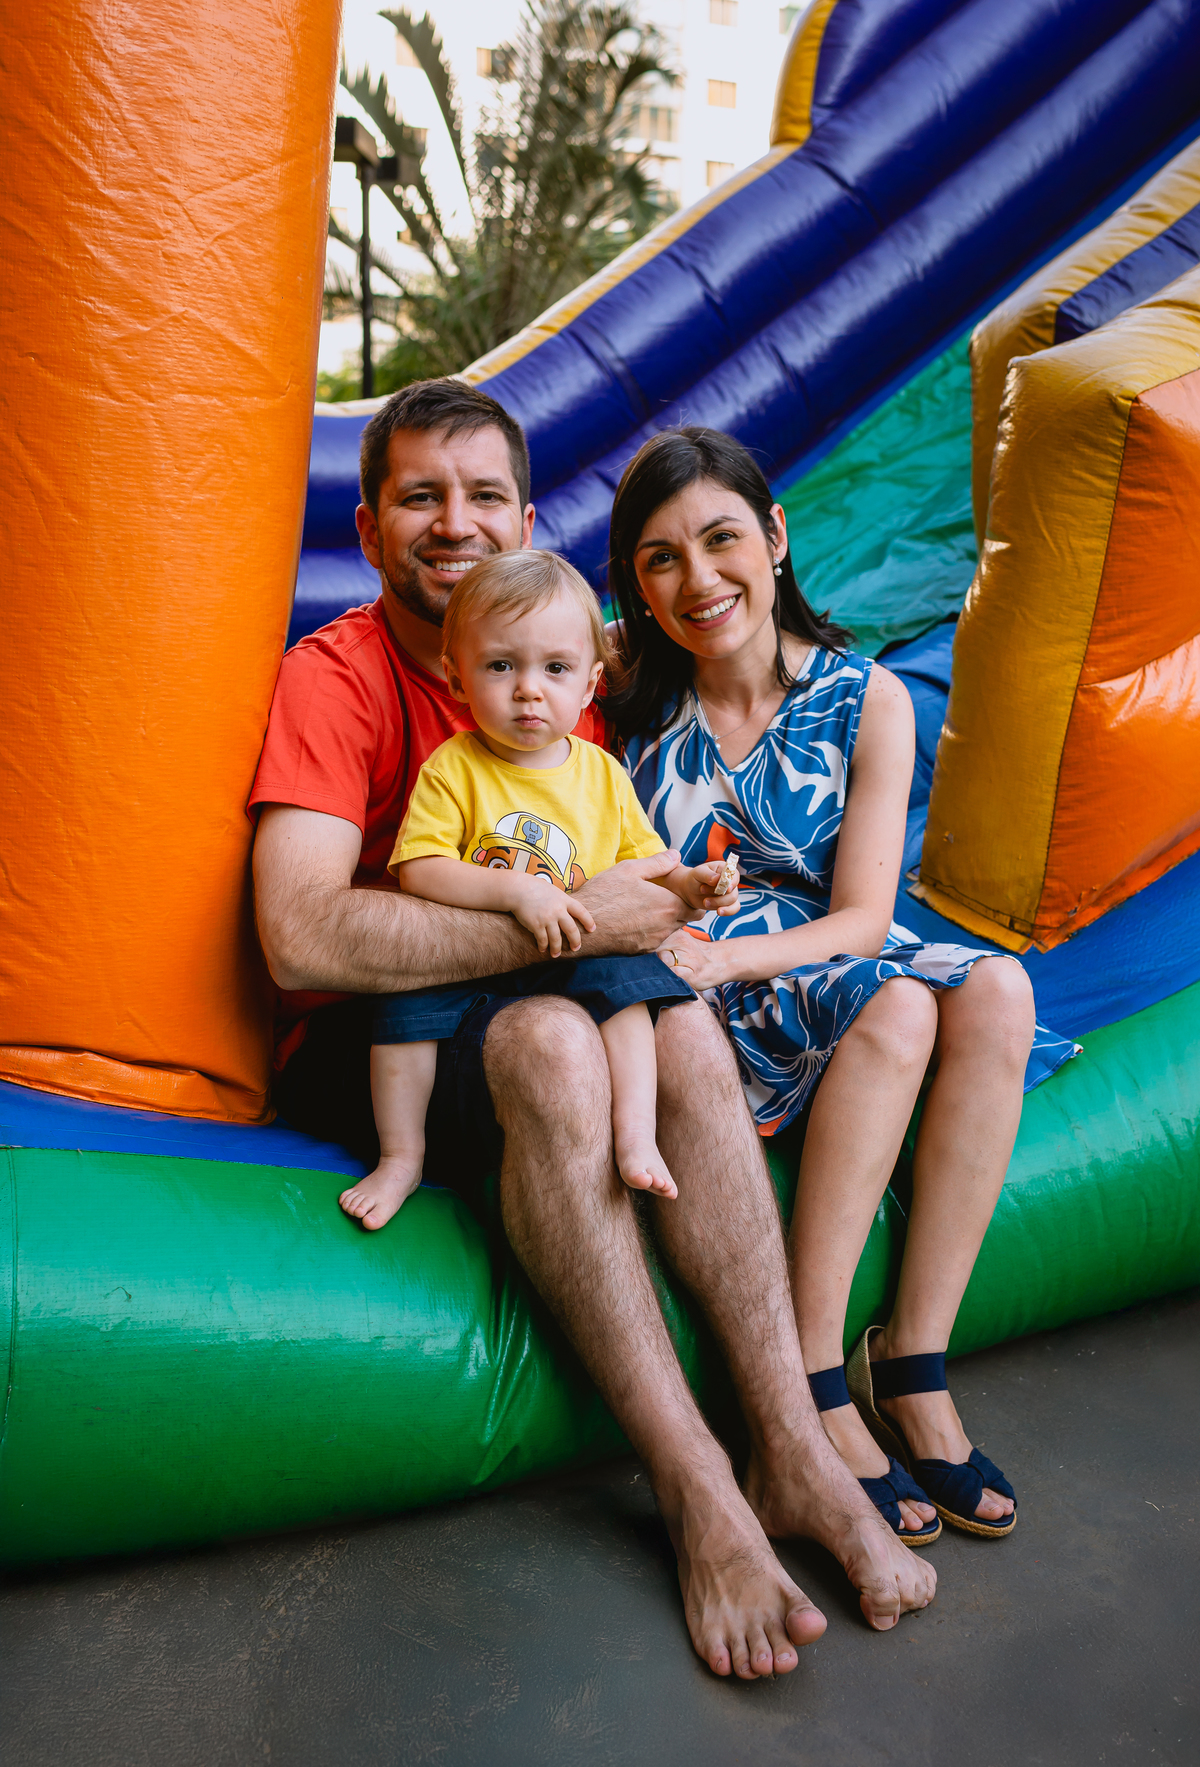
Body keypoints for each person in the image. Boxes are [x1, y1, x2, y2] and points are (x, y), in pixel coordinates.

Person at [250, 378, 936, 1682]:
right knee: (560, 1041)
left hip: (570, 994)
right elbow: (300, 935)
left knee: (669, 1025)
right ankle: (697, 1489)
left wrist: (697, 907)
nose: (455, 523)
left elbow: (702, 777)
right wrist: (563, 918)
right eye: (420, 497)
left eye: (485, 495)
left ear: (525, 518)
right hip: (386, 1035)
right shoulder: (337, 677)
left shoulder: (580, 666)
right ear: (369, 520)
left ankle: (790, 1443)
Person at [609, 425, 1070, 1545]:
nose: (699, 579)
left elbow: (863, 915)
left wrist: (735, 953)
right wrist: (697, 954)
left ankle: (911, 1359)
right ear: (636, 584)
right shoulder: (620, 695)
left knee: (1000, 990)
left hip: (806, 951)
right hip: (695, 977)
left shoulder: (865, 698)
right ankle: (813, 1375)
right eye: (661, 558)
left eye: (722, 539)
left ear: (774, 535)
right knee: (903, 999)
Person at [339, 546, 741, 1230]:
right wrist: (518, 895)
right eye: (501, 666)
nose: (529, 689)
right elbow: (421, 868)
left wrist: (696, 881)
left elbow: (648, 859)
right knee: (399, 1009)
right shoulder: (454, 769)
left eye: (554, 669)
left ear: (588, 685)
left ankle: (635, 1132)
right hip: (478, 962)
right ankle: (401, 1157)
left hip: (575, 955)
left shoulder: (602, 775)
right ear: (457, 677)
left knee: (634, 989)